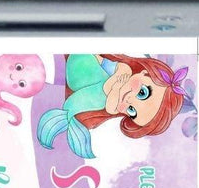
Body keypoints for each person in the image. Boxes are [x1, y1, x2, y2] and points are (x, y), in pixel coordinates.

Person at [36, 54, 189, 159]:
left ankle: (65, 117)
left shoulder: (110, 104)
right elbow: (100, 64)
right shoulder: (124, 69)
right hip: (79, 65)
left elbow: (109, 98)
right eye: (142, 93)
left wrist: (114, 86)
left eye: (131, 111)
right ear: (144, 72)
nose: (129, 100)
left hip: (68, 89)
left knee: (99, 99)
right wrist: (114, 83)